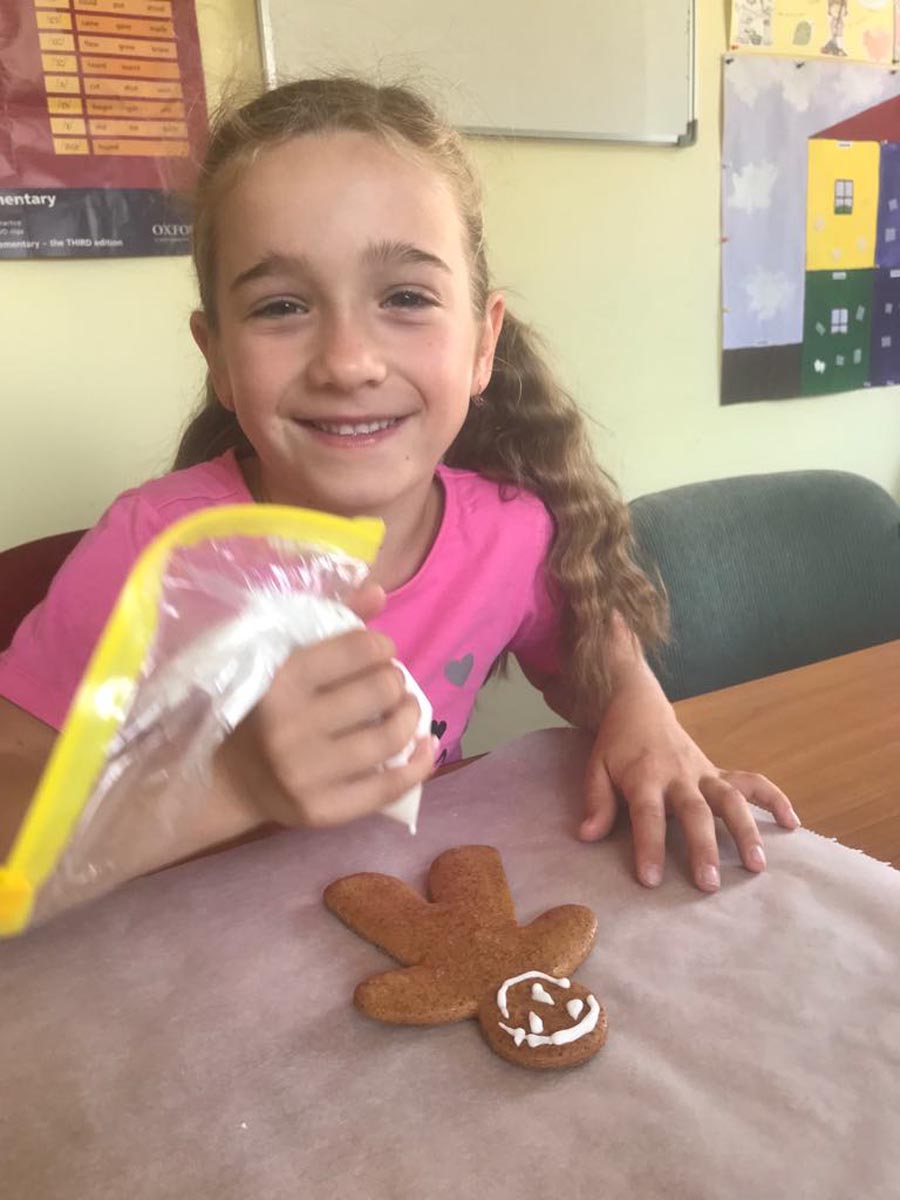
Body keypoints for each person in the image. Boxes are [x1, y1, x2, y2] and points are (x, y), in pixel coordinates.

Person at [0, 77, 799, 914]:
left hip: (404, 917)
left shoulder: (510, 533)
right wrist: (228, 783)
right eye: (281, 306)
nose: (349, 362)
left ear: (483, 345)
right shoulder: (152, 554)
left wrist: (643, 711)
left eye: (407, 298)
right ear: (219, 359)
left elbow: (589, 650)